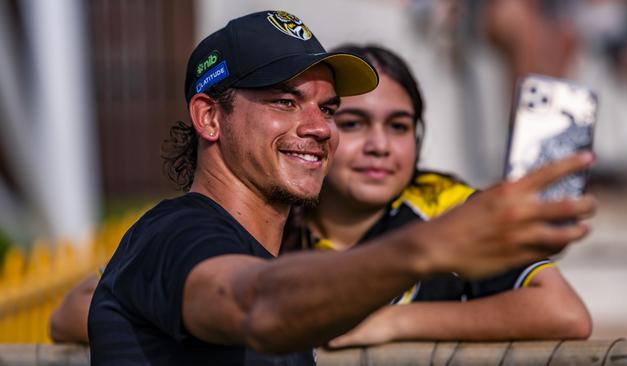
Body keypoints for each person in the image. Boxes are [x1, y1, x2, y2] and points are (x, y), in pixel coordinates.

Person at [86, 10, 596, 365]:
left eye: (328, 109)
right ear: (209, 117)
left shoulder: (265, 252)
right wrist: (430, 248)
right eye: (285, 102)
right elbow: (255, 307)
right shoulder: (177, 231)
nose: (320, 127)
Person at [281, 44, 591, 348]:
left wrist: (394, 321)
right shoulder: (278, 209)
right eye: (353, 124)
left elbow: (563, 312)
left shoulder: (449, 206)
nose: (379, 145)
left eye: (398, 126)